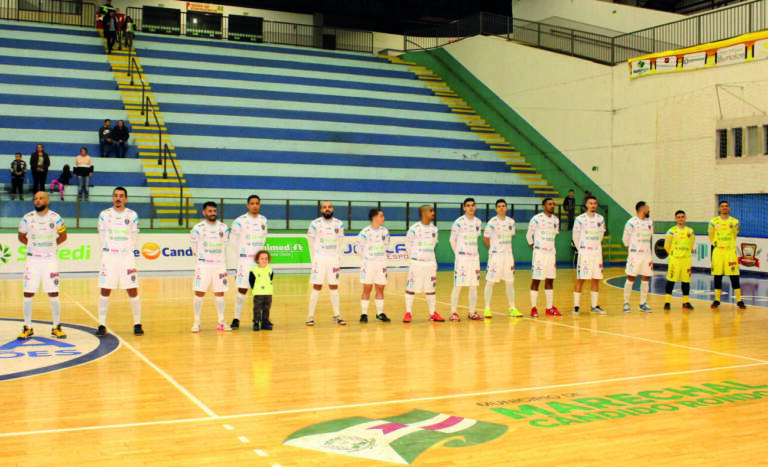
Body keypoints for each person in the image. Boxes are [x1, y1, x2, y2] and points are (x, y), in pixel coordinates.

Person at [17, 192, 68, 340]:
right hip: (32, 261)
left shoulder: (56, 218)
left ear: (47, 200)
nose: (38, 201)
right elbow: (21, 236)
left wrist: (50, 248)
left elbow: (63, 236)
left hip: (49, 260)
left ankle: (56, 326)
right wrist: (34, 247)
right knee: (28, 293)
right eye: (36, 199)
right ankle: (27, 327)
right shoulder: (27, 218)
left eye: (41, 198)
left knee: (53, 292)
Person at [95, 187, 143, 337]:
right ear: (112, 198)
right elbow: (102, 235)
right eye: (115, 196)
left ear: (126, 199)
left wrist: (126, 250)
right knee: (105, 289)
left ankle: (137, 323)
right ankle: (102, 324)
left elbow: (134, 236)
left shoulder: (132, 215)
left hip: (126, 258)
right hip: (109, 257)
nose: (118, 198)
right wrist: (111, 248)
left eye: (121, 196)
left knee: (132, 290)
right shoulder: (104, 214)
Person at [190, 201, 230, 332]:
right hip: (203, 265)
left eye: (214, 211)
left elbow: (225, 245)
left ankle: (221, 322)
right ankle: (196, 322)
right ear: (204, 212)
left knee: (220, 293)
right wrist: (203, 257)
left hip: (219, 265)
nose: (212, 213)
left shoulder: (223, 228)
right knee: (199, 292)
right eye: (210, 211)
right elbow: (193, 246)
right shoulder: (198, 228)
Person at [229, 195, 268, 330]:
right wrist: (243, 254)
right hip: (245, 261)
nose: (255, 206)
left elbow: (264, 239)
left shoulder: (263, 220)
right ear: (247, 205)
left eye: (257, 203)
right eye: (252, 203)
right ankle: (236, 318)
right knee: (242, 290)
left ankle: (258, 320)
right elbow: (233, 241)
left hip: (259, 263)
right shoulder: (240, 221)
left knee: (260, 292)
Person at [305, 201, 346, 326]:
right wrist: (316, 257)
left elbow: (340, 241)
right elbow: (310, 241)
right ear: (321, 210)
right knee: (317, 286)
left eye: (329, 207)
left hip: (333, 259)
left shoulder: (339, 224)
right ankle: (310, 316)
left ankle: (337, 315)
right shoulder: (314, 224)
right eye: (324, 207)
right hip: (320, 259)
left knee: (334, 286)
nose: (327, 209)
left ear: (333, 209)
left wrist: (336, 256)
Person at [403, 205, 444, 323]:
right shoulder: (414, 229)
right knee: (411, 288)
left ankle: (432, 313)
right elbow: (408, 246)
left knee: (430, 289)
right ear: (423, 213)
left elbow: (433, 245)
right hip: (417, 264)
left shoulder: (434, 229)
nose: (433, 212)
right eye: (431, 211)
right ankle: (408, 312)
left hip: (430, 263)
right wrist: (415, 259)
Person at [483, 199, 520, 318]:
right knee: (491, 282)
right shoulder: (492, 222)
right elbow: (485, 238)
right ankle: (487, 308)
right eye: (499, 206)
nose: (501, 208)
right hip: (496, 256)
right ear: (496, 209)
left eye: (503, 206)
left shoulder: (511, 222)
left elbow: (512, 236)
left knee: (510, 282)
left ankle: (512, 308)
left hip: (508, 256)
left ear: (507, 208)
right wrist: (495, 249)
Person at [572, 195, 607, 314]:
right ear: (586, 205)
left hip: (596, 253)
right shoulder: (580, 219)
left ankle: (594, 306)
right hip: (585, 253)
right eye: (591, 203)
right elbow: (575, 236)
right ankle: (576, 306)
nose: (593, 205)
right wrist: (581, 249)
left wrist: (596, 246)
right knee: (581, 279)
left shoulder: (600, 219)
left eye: (595, 203)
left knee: (596, 278)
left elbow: (601, 234)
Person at [449, 197, 483, 321]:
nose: (470, 207)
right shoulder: (458, 222)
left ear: (475, 207)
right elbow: (452, 240)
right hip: (462, 259)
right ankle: (453, 312)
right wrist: (458, 254)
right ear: (464, 207)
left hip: (474, 258)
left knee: (474, 285)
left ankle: (472, 312)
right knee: (458, 285)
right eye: (468, 205)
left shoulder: (478, 222)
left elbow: (476, 238)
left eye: (472, 205)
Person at [709, 200, 746, 310]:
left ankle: (739, 300)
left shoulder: (735, 222)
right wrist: (718, 244)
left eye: (726, 206)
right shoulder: (713, 222)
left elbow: (735, 235)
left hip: (730, 251)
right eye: (722, 206)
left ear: (729, 208)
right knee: (717, 275)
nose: (724, 208)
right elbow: (711, 236)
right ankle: (717, 300)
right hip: (718, 251)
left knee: (734, 275)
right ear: (719, 209)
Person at [527, 197, 560, 317]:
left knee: (550, 279)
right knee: (536, 279)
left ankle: (549, 308)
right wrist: (534, 246)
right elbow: (528, 235)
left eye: (553, 204)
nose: (552, 206)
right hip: (539, 254)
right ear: (544, 206)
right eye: (549, 204)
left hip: (551, 253)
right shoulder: (536, 219)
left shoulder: (556, 220)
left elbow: (554, 235)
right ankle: (533, 308)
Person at [357, 208, 391, 323]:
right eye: (381, 216)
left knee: (380, 288)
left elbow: (386, 246)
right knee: (367, 288)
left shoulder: (385, 232)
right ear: (375, 217)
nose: (383, 218)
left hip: (381, 263)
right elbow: (359, 249)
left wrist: (379, 258)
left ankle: (380, 313)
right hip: (368, 264)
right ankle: (364, 314)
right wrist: (367, 259)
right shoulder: (364, 232)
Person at [623, 201, 654, 312]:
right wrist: (633, 250)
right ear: (642, 209)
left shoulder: (650, 222)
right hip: (635, 256)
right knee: (631, 278)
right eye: (647, 208)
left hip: (647, 255)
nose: (649, 210)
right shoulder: (631, 222)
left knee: (646, 278)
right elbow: (625, 240)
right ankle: (626, 303)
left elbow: (649, 238)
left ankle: (643, 303)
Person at [663, 210, 695, 311]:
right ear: (676, 219)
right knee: (671, 280)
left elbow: (691, 244)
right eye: (679, 217)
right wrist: (673, 254)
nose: (681, 219)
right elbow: (666, 246)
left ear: (685, 218)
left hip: (686, 260)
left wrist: (685, 253)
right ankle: (667, 302)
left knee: (686, 281)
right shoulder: (671, 231)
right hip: (675, 260)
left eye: (682, 217)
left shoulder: (690, 231)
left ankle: (685, 302)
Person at [249, 250, 274, 331]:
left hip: (268, 293)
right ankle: (256, 322)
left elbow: (271, 279)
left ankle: (265, 322)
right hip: (258, 293)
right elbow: (251, 281)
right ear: (257, 260)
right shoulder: (254, 271)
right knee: (257, 308)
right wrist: (256, 289)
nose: (264, 260)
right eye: (262, 258)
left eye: (266, 259)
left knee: (266, 308)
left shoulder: (270, 270)